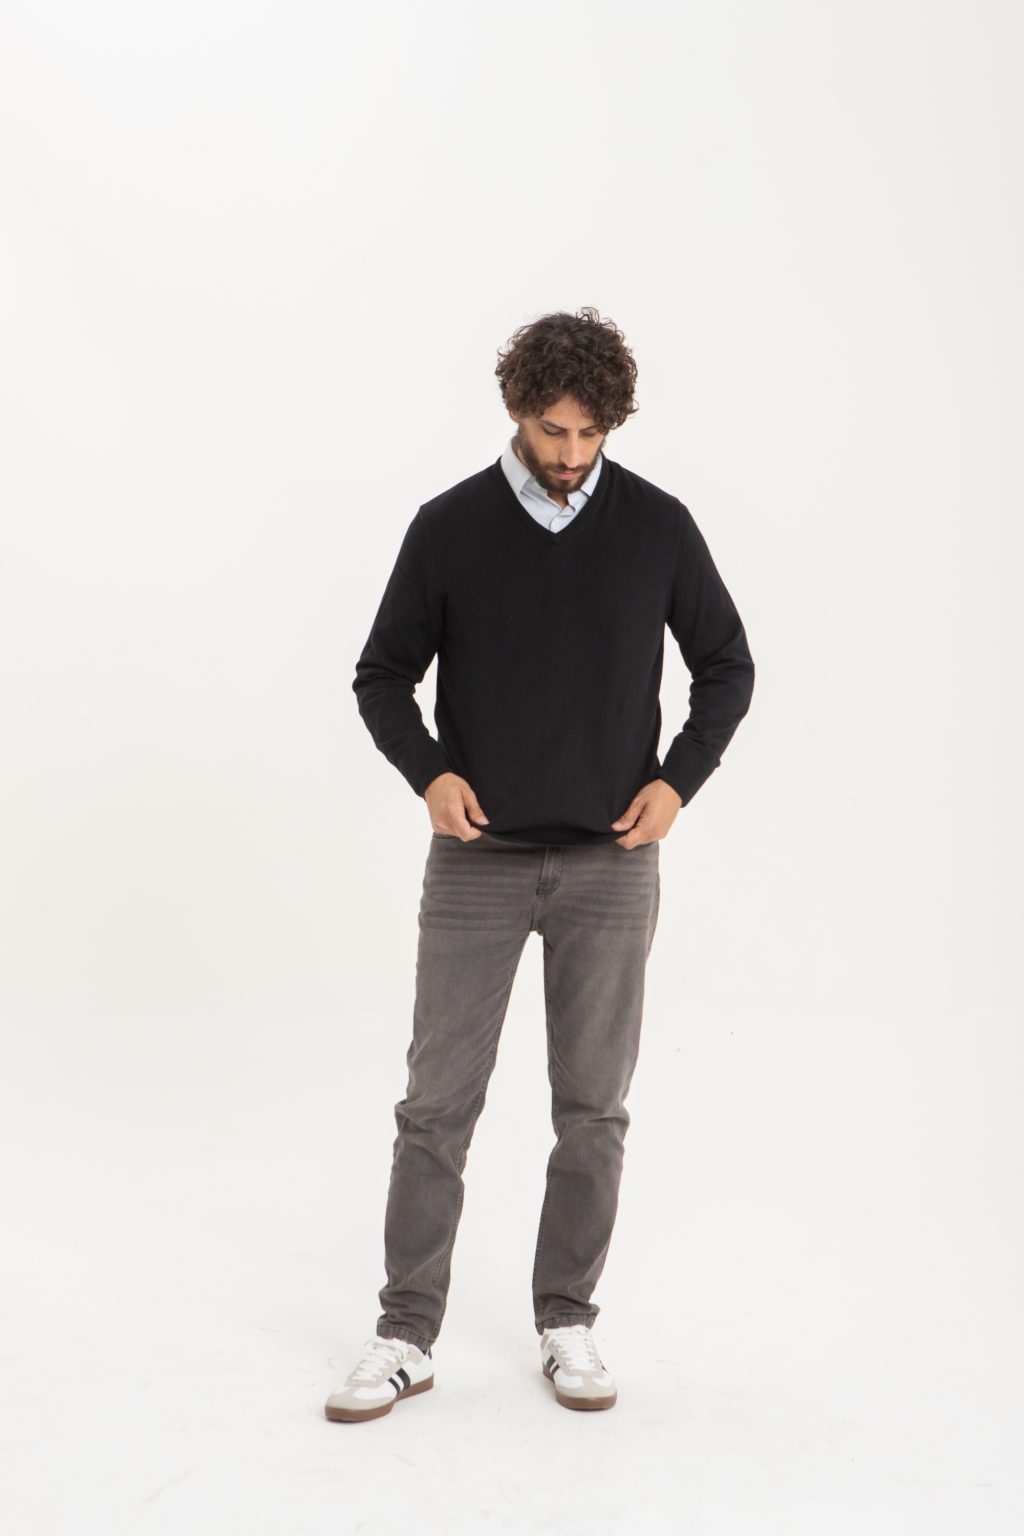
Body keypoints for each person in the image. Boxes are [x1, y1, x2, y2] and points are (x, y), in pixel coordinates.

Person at [324, 306, 755, 1422]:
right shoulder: (449, 527)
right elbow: (381, 675)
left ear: (611, 423)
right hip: (475, 861)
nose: (569, 454)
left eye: (588, 434)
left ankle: (567, 1318)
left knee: (593, 1110)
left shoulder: (657, 526)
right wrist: (428, 772)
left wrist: (677, 783)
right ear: (517, 412)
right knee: (435, 1108)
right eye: (551, 430)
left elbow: (726, 665)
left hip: (613, 862)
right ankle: (405, 1332)